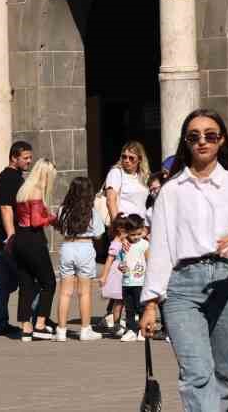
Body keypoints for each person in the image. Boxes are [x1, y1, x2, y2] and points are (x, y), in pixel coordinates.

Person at [138, 109, 228, 412]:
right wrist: (149, 305)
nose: (202, 142)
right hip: (182, 288)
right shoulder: (171, 192)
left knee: (225, 377)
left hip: (227, 283)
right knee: (197, 375)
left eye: (210, 135)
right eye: (194, 136)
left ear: (222, 140)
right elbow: (160, 250)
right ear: (186, 142)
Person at [101, 140, 150, 326]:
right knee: (122, 270)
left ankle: (126, 312)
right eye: (124, 157)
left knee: (136, 269)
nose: (127, 161)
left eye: (131, 158)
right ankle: (116, 314)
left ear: (139, 160)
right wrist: (118, 228)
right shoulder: (116, 173)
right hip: (123, 227)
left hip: (140, 228)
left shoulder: (142, 176)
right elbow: (111, 199)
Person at [52, 175, 106, 341]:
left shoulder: (63, 210)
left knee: (65, 292)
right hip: (85, 247)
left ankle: (61, 330)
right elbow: (99, 233)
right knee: (84, 292)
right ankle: (85, 329)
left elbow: (59, 228)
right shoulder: (91, 211)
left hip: (67, 247)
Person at [11, 158, 59, 342]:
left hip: (20, 240)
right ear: (45, 175)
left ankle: (25, 328)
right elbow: (36, 221)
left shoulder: (23, 190)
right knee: (49, 283)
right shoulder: (37, 192)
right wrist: (51, 218)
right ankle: (39, 325)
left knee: (26, 284)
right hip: (33, 241)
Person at [0, 140, 33, 337]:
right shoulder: (9, 178)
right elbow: (6, 208)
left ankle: (0, 323)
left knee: (5, 281)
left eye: (30, 158)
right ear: (14, 157)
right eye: (25, 158)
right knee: (29, 277)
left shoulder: (14, 177)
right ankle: (32, 321)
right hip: (8, 239)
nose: (29, 162)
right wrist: (11, 236)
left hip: (3, 239)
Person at [100, 215, 138, 337]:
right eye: (126, 229)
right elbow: (109, 261)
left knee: (125, 300)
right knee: (120, 300)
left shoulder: (124, 241)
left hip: (125, 272)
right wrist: (104, 276)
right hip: (117, 274)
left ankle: (124, 323)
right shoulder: (116, 243)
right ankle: (116, 324)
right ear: (120, 230)